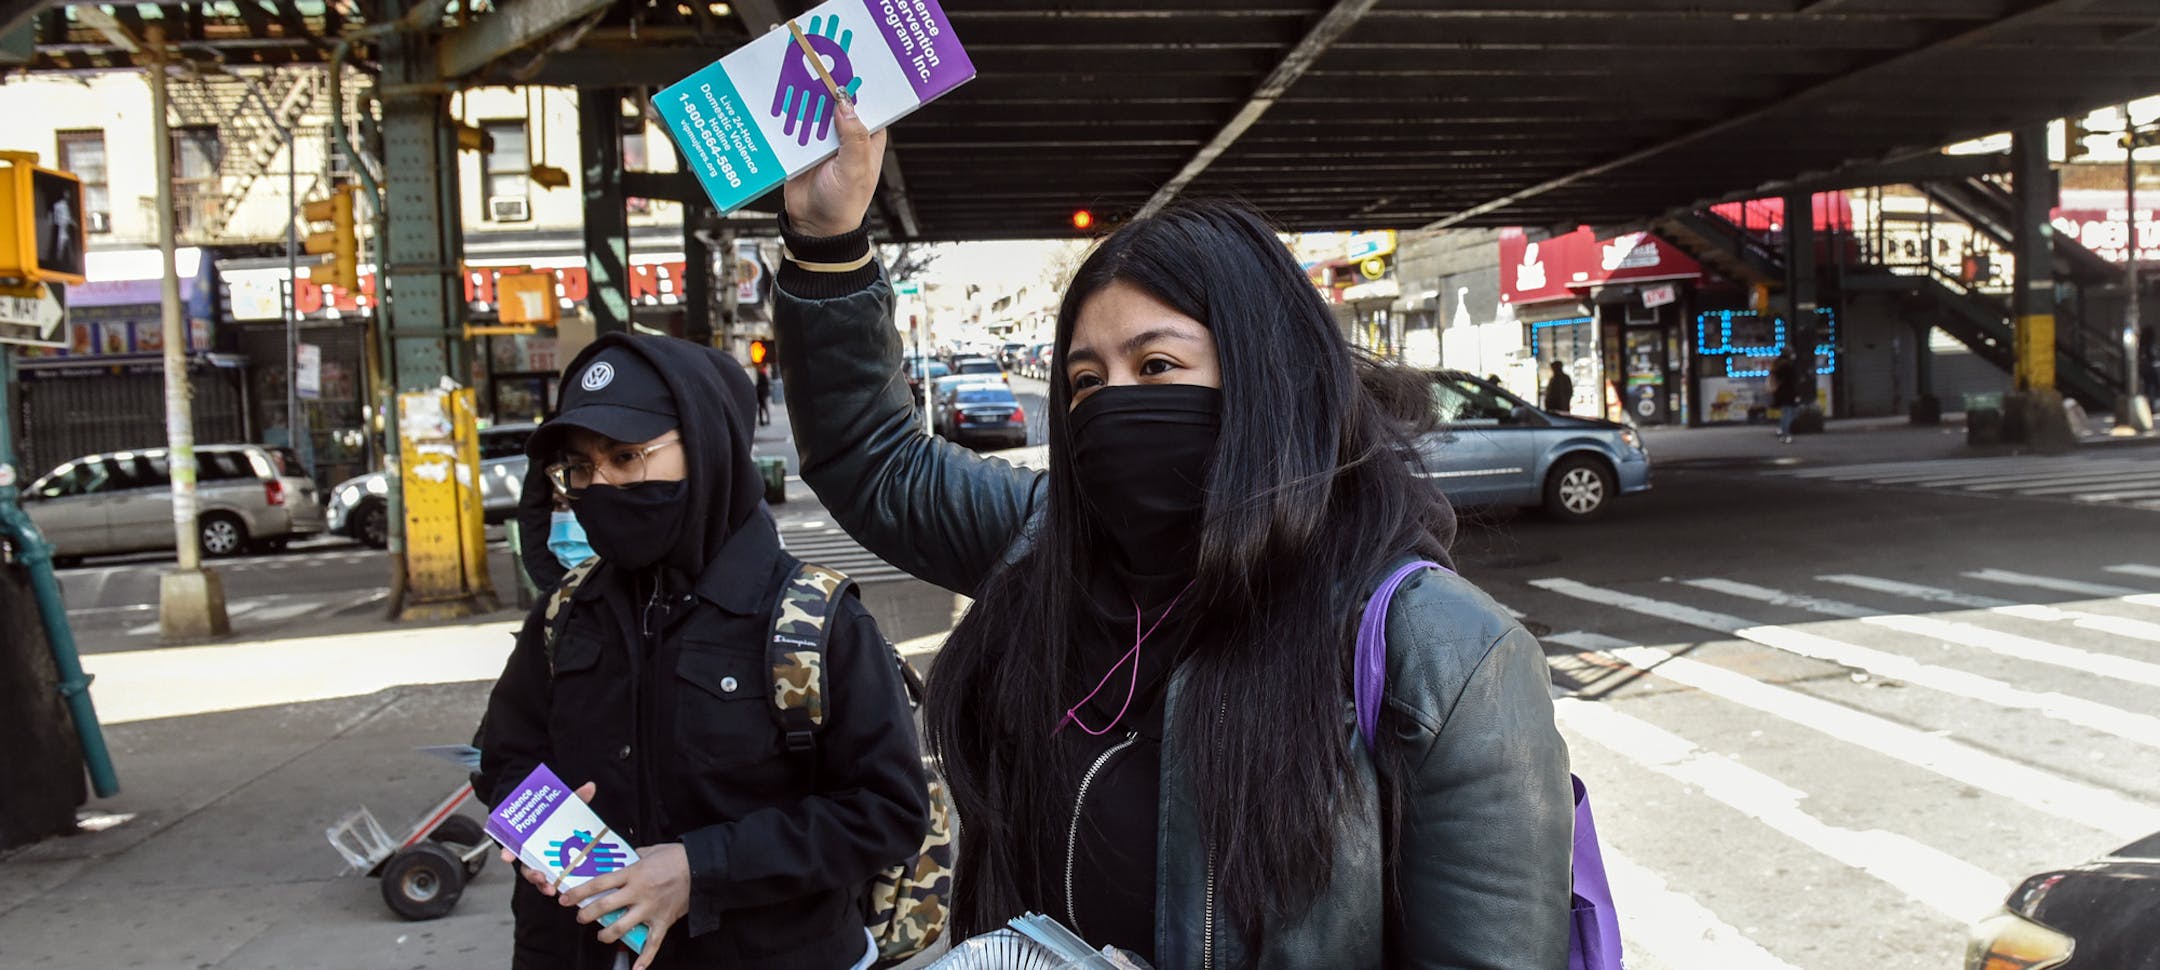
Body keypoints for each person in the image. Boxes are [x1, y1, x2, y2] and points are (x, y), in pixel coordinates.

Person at [771, 96, 1570, 967]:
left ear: (1265, 379)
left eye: (1156, 366)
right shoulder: (1043, 546)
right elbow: (872, 460)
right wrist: (828, 244)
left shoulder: (1442, 653)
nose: (1113, 401)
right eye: (1085, 380)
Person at [472, 333, 929, 970]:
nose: (598, 486)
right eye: (579, 468)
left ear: (707, 448)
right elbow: (505, 756)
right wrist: (543, 836)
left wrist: (699, 869)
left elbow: (889, 811)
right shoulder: (567, 610)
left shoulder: (811, 621)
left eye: (626, 457)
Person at [1770, 348, 1802, 443]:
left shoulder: (1778, 365)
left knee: (1786, 413)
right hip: (1789, 393)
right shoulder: (1788, 366)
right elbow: (1792, 380)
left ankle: (1783, 431)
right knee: (1789, 413)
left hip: (1780, 392)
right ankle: (1786, 434)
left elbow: (1775, 378)